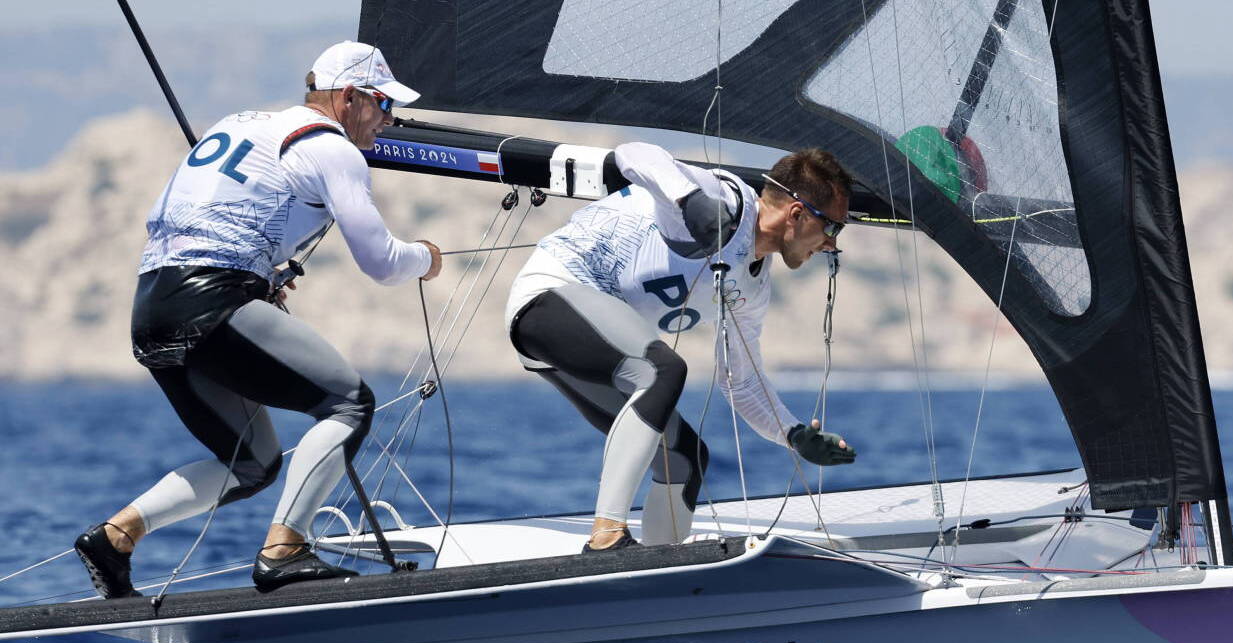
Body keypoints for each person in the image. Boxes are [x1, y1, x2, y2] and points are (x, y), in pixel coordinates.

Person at [74, 40, 442, 597]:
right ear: (349, 98)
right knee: (349, 403)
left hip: (151, 304)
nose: (388, 121)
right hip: (212, 299)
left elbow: (204, 219)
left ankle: (115, 537)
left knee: (251, 463)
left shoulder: (243, 122)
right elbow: (382, 262)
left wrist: (260, 276)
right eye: (383, 105)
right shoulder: (334, 150)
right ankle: (285, 550)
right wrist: (427, 257)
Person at [504, 142, 857, 553]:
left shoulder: (753, 286)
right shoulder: (726, 202)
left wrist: (793, 434)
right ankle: (606, 537)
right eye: (833, 227)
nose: (832, 245)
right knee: (661, 371)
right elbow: (633, 153)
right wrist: (690, 203)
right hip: (548, 297)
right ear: (796, 214)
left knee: (685, 458)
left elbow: (739, 383)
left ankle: (656, 568)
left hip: (579, 349)